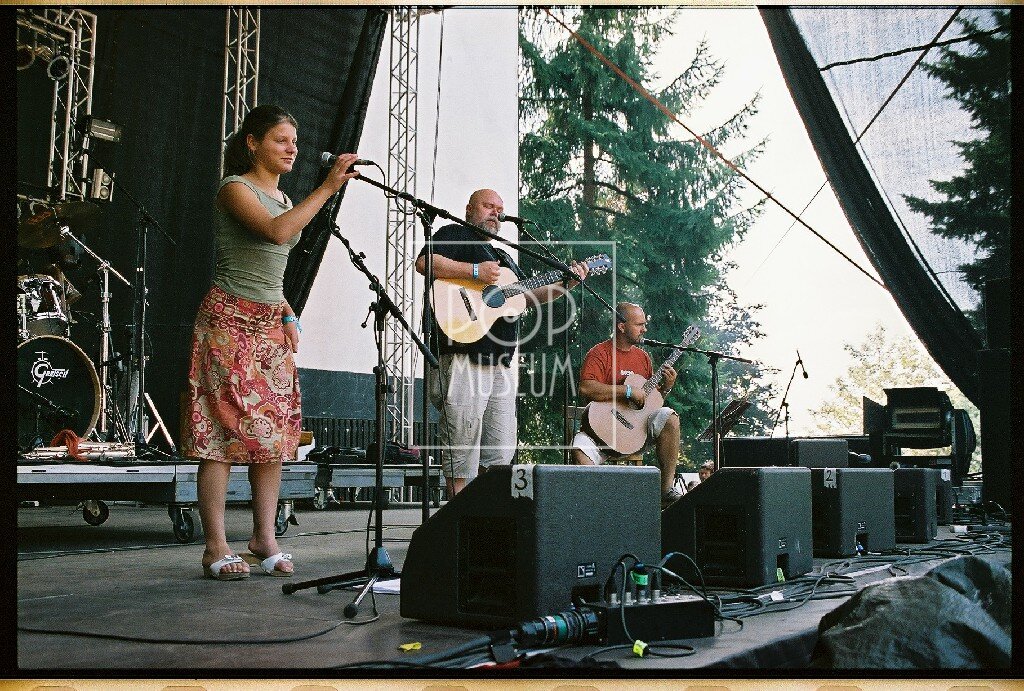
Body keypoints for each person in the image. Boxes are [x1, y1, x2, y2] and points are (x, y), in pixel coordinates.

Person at [181, 104, 361, 580]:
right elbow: (277, 233)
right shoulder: (235, 189)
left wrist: (287, 312)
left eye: (294, 142)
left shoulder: (284, 197)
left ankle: (264, 538)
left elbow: (270, 270)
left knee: (276, 434)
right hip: (228, 321)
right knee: (220, 432)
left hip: (269, 324)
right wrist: (328, 187)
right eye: (281, 140)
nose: (291, 149)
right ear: (253, 143)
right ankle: (215, 547)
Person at [415, 189, 588, 496]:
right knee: (461, 444)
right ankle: (459, 517)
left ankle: (485, 513)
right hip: (463, 354)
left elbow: (528, 297)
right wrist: (475, 271)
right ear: (469, 209)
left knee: (500, 450)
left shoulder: (504, 258)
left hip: (501, 363)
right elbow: (425, 263)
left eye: (499, 209)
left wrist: (567, 284)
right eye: (488, 206)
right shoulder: (454, 234)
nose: (495, 212)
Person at [570, 302, 684, 509]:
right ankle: (597, 508)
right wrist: (627, 391)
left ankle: (666, 490)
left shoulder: (643, 358)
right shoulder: (599, 353)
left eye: (645, 324)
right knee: (579, 448)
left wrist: (666, 389)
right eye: (639, 324)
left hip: (634, 435)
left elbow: (649, 403)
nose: (644, 329)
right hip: (599, 435)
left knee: (670, 417)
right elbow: (586, 388)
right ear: (621, 326)